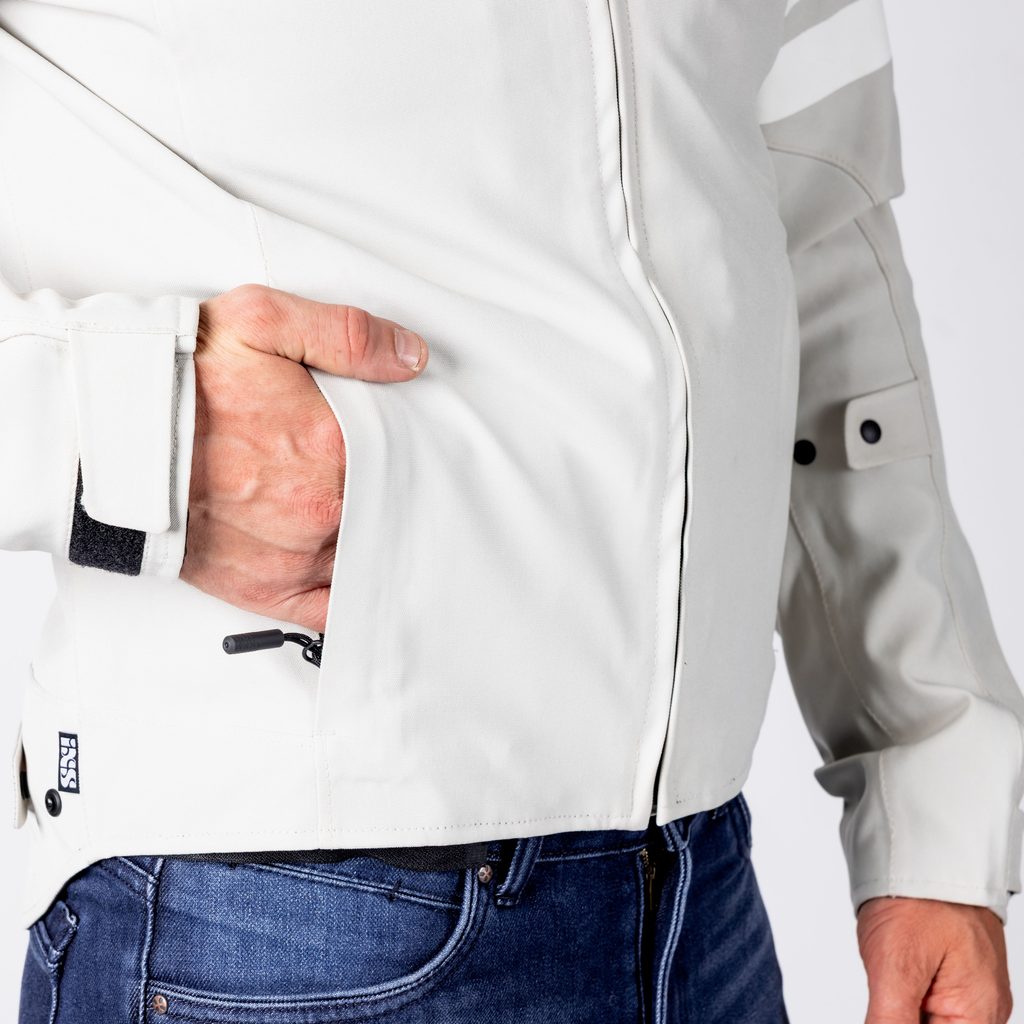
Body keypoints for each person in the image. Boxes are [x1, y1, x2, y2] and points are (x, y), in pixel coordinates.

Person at [1, 0, 1020, 1021]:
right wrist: (141, 435)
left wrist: (925, 778)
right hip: (276, 906)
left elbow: (811, 199)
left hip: (699, 900)